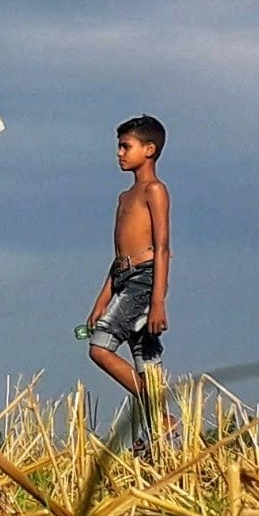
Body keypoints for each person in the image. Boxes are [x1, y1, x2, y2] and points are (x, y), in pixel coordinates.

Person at [83, 114, 170, 446]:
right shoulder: (124, 198)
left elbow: (162, 247)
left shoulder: (155, 191)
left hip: (145, 281)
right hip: (124, 277)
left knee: (100, 348)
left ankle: (160, 415)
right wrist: (101, 300)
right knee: (145, 362)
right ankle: (154, 443)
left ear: (149, 149)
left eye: (126, 146)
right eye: (118, 146)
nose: (119, 153)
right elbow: (118, 256)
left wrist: (158, 301)